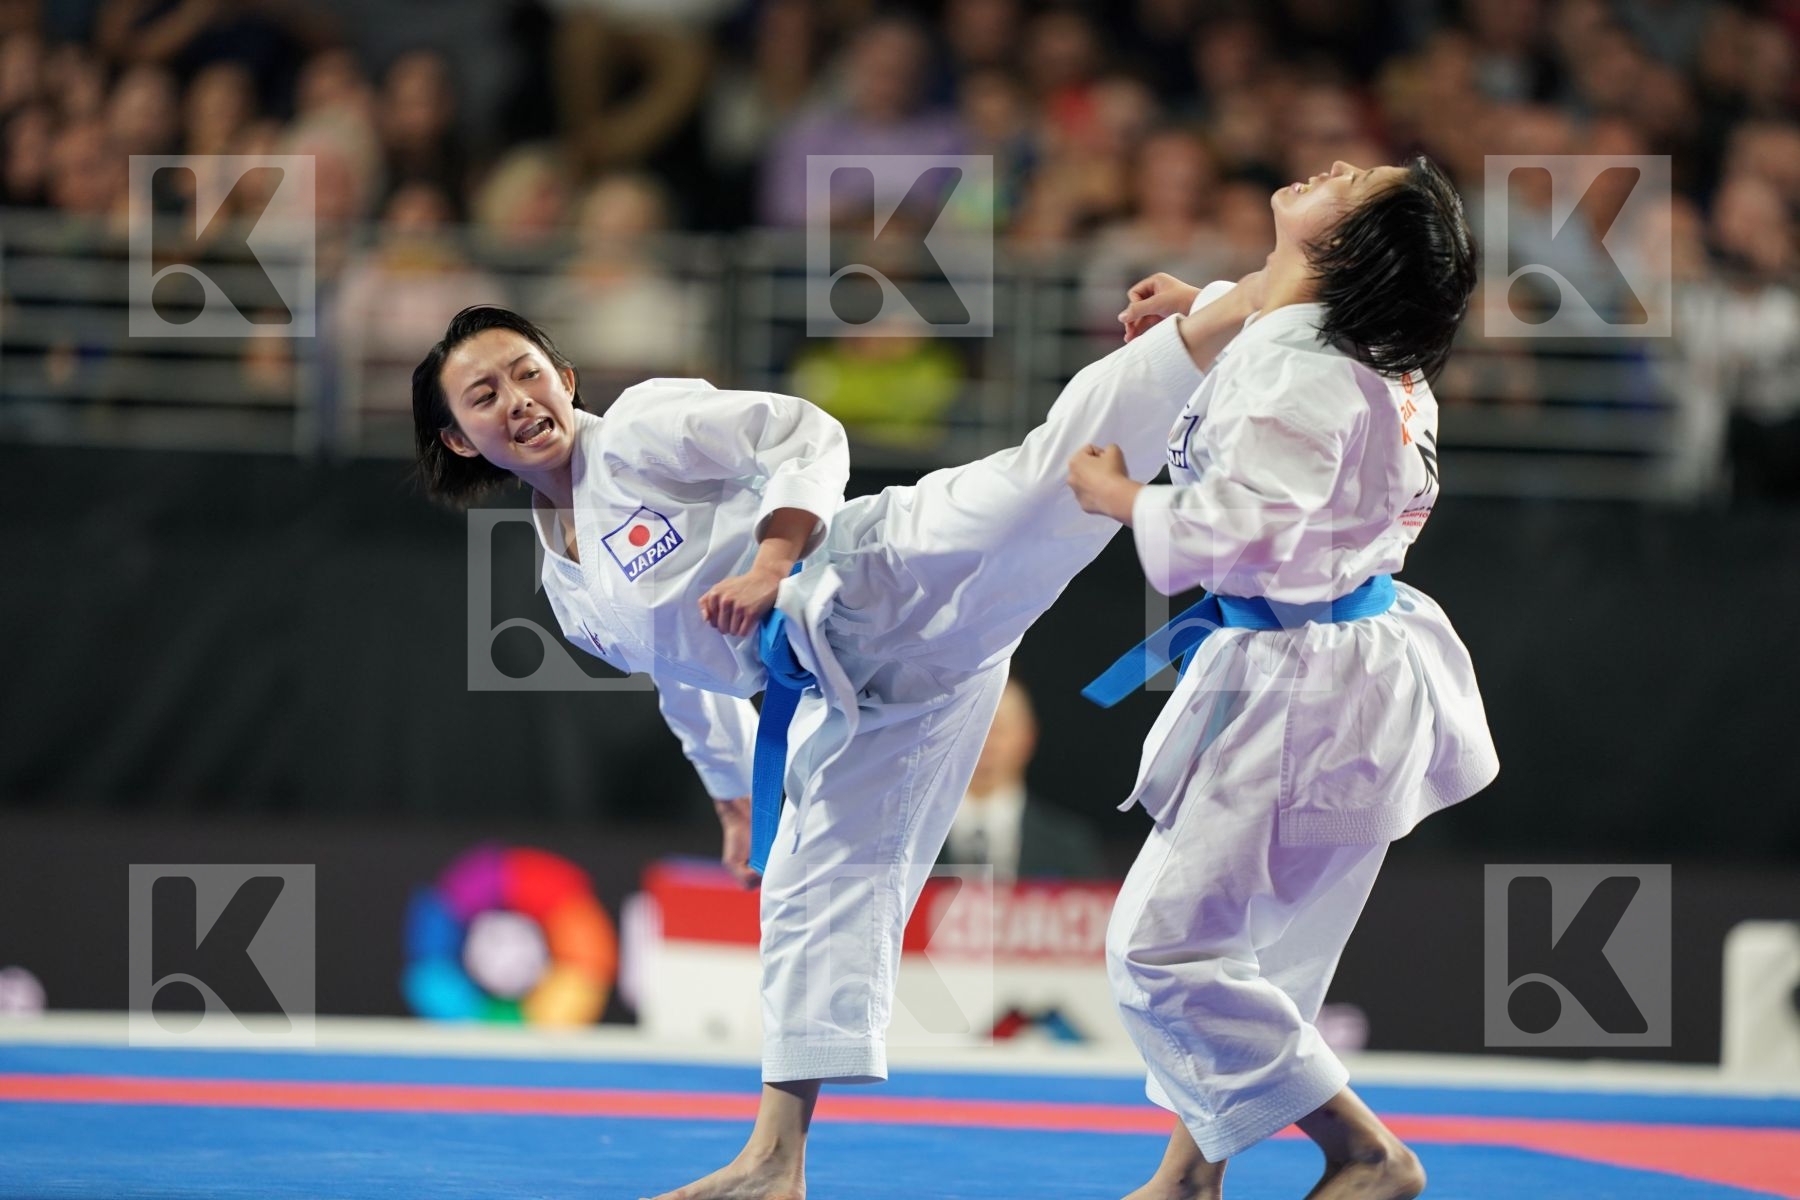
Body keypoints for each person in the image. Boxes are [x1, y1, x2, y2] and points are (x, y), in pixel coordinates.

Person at [410, 274, 1256, 1198]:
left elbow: (808, 433)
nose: (518, 401)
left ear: (566, 377)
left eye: (527, 373)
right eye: (485, 396)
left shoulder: (644, 429)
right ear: (460, 438)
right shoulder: (569, 592)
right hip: (871, 699)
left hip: (881, 574)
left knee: (1047, 477)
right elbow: (684, 685)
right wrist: (734, 799)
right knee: (812, 894)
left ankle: (1233, 307)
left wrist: (774, 559)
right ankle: (775, 1164)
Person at [1065, 158, 1499, 1200]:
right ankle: (1188, 1176)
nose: (1342, 165)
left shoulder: (1296, 371)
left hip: (1302, 683)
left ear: (1344, 251)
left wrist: (1120, 496)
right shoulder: (1360, 346)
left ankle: (1367, 1155)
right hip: (1358, 664)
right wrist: (1212, 304)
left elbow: (1229, 530)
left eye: (1360, 185)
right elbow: (1287, 313)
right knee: (1264, 949)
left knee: (1162, 950)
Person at [938, 678, 1104, 881]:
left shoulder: (1070, 846)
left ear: (1028, 737)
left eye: (998, 728)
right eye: (971, 728)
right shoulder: (905, 845)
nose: (984, 741)